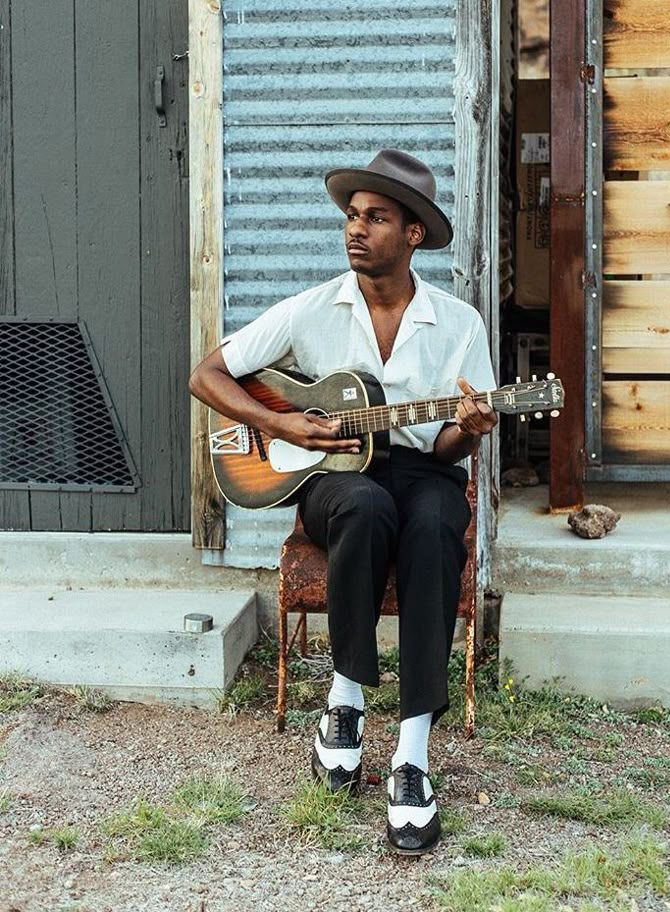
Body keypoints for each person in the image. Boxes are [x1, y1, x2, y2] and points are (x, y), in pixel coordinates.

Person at [190, 149, 497, 855]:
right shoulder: (312, 309)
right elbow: (208, 375)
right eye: (352, 216)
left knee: (428, 526)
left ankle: (412, 756)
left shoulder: (459, 324)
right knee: (363, 505)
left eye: (377, 218)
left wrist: (470, 428)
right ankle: (346, 704)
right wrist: (282, 423)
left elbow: (453, 447)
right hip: (334, 479)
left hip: (425, 472)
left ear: (413, 234)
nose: (355, 230)